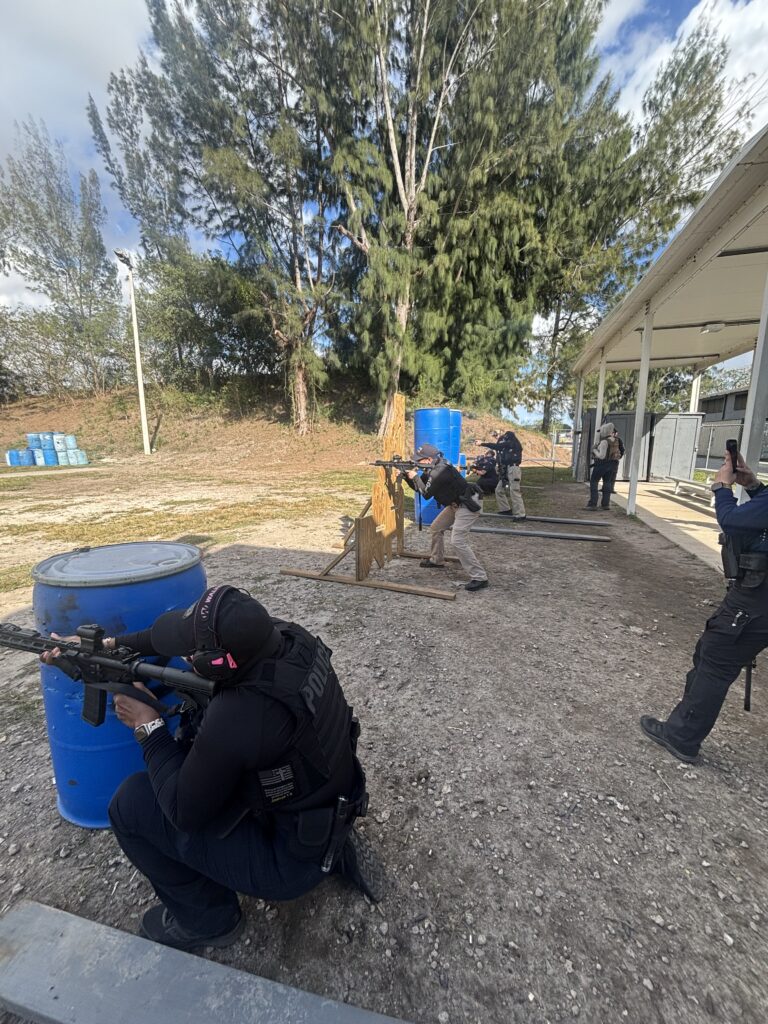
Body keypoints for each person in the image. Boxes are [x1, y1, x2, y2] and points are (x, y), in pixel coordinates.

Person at [43, 586, 378, 951]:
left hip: (291, 864)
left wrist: (148, 727)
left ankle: (209, 921)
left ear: (219, 664)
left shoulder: (241, 716)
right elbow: (167, 640)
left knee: (131, 804)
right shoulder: (287, 638)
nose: (183, 653)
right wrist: (108, 647)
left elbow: (182, 812)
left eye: (193, 651)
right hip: (328, 818)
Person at [640, 454, 768, 763]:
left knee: (715, 659)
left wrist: (722, 487)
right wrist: (752, 485)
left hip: (756, 598)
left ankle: (681, 737)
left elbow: (732, 521)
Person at [403, 442, 489, 592]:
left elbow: (426, 494)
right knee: (436, 528)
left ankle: (480, 577)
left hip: (468, 504)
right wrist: (407, 477)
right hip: (455, 504)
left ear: (428, 460)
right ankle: (437, 560)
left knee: (457, 540)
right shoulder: (434, 468)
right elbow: (420, 487)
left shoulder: (439, 472)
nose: (417, 462)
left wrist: (415, 476)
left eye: (420, 460)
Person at [479, 430, 526, 520]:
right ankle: (505, 509)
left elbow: (498, 446)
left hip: (513, 469)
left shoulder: (513, 443)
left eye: (504, 438)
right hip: (507, 470)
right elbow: (499, 447)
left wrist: (482, 444)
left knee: (514, 491)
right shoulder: (509, 444)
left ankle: (521, 514)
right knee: (499, 490)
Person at [586, 422, 622, 510]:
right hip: (612, 465)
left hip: (601, 465)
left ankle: (593, 504)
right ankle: (605, 504)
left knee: (594, 482)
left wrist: (594, 450)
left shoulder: (604, 442)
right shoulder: (616, 440)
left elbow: (601, 456)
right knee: (607, 483)